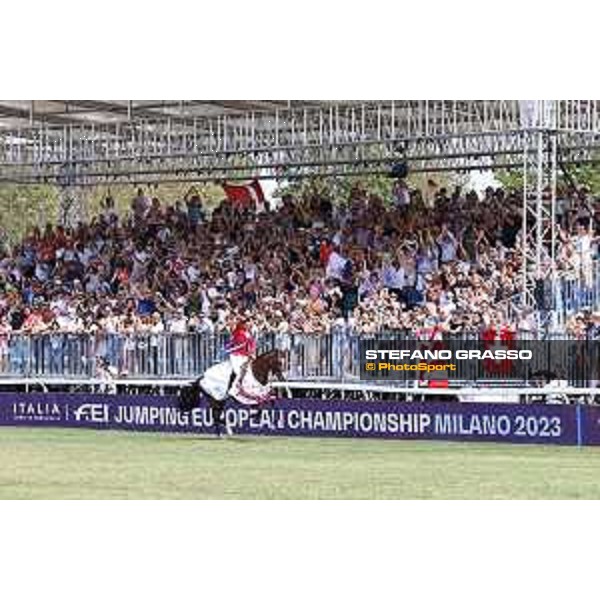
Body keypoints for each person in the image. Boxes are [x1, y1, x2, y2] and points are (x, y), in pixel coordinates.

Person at [226, 319, 257, 395]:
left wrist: (252, 352)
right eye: (246, 324)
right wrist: (249, 353)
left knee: (250, 372)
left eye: (249, 323)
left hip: (245, 355)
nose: (248, 325)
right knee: (238, 371)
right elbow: (240, 344)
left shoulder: (248, 333)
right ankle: (234, 388)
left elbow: (251, 344)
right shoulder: (239, 333)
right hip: (237, 355)